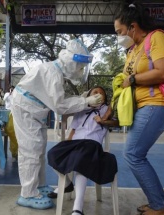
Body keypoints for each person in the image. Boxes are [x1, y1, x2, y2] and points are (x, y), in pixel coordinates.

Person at [11, 38, 103, 210]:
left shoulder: (56, 72)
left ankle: (38, 185)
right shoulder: (52, 74)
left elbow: (58, 100)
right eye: (80, 67)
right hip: (26, 109)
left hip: (33, 110)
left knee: (39, 148)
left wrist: (82, 99)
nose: (81, 70)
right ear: (72, 62)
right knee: (31, 149)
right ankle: (27, 194)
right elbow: (59, 106)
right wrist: (86, 102)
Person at [114, 3, 164, 215]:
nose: (118, 36)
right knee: (136, 154)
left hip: (156, 105)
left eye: (119, 31)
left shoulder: (156, 38)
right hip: (143, 107)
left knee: (133, 154)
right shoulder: (132, 50)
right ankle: (163, 204)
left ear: (132, 26)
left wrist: (131, 78)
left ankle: (159, 207)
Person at [47, 86, 118, 215]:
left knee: (81, 161)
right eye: (95, 92)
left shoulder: (106, 110)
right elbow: (73, 129)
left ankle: (78, 207)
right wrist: (67, 145)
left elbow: (116, 122)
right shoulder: (81, 109)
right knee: (52, 153)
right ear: (89, 95)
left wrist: (103, 121)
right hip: (75, 143)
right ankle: (68, 184)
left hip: (92, 144)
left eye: (101, 94)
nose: (98, 94)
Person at [3, 86, 18, 161]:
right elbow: (4, 99)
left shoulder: (17, 95)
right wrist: (10, 94)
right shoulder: (7, 94)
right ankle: (14, 152)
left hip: (15, 113)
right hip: (8, 112)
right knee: (11, 130)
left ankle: (16, 152)